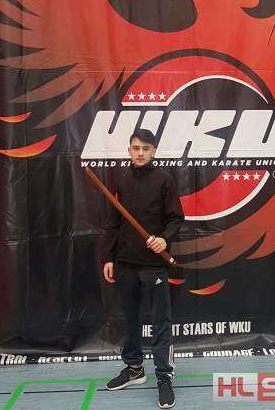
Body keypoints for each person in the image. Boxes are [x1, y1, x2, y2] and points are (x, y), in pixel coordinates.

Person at [102, 128, 184, 409]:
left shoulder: (165, 180)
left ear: (154, 151)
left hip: (153, 265)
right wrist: (109, 257)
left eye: (145, 148)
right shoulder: (122, 180)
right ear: (129, 150)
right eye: (135, 148)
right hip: (125, 263)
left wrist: (164, 239)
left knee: (160, 322)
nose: (140, 153)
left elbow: (176, 218)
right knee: (131, 318)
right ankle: (134, 369)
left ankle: (164, 377)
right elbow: (114, 223)